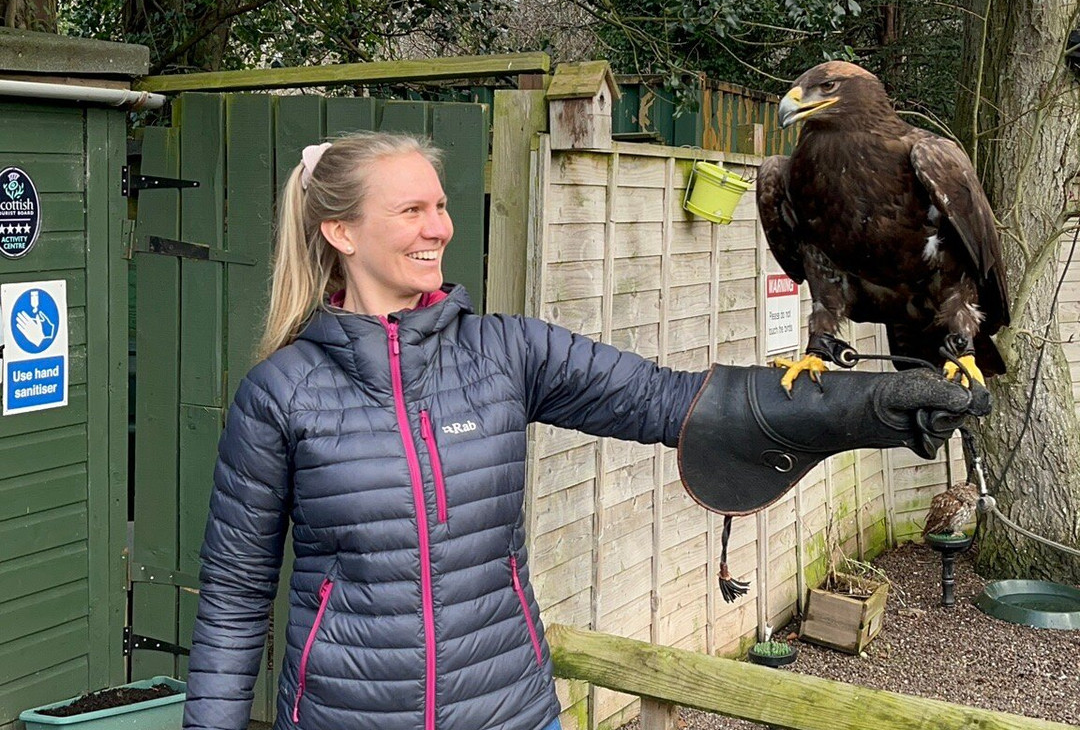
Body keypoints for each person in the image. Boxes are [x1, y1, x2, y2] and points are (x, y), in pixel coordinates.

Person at [182, 132, 988, 730]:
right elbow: (233, 597)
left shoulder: (507, 353)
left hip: (512, 711)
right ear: (341, 232)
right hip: (344, 716)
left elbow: (671, 401)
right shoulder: (281, 395)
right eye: (413, 210)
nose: (441, 227)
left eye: (442, 206)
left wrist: (865, 408)